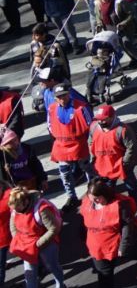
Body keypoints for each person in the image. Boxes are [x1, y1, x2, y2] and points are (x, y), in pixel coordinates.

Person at [82, 177, 137, 288]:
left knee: (133, 252)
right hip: (98, 247)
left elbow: (127, 226)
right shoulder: (89, 202)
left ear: (104, 194)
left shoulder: (120, 205)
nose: (94, 202)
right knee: (104, 272)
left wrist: (123, 246)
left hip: (118, 242)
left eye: (97, 199)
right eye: (91, 199)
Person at [8, 186, 66, 288]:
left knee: (52, 267)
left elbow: (53, 229)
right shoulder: (15, 209)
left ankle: (61, 285)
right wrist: (18, 239)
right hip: (28, 246)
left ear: (25, 202)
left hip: (46, 244)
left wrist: (37, 244)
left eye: (18, 208)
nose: (16, 211)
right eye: (14, 209)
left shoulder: (41, 209)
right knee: (29, 274)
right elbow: (13, 226)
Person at [46, 81, 92, 209]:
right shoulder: (52, 109)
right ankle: (71, 196)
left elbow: (90, 125)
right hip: (61, 145)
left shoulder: (81, 107)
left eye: (64, 95)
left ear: (69, 94)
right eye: (59, 97)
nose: (62, 99)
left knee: (87, 168)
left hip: (79, 144)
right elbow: (50, 126)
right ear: (55, 97)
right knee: (64, 173)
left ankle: (93, 190)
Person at [88, 103, 137, 191]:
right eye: (98, 119)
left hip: (121, 165)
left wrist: (125, 163)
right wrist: (93, 157)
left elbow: (131, 148)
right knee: (108, 190)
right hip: (104, 166)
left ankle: (134, 200)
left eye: (103, 119)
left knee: (130, 185)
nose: (100, 122)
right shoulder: (94, 127)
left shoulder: (123, 130)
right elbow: (91, 142)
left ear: (112, 117)